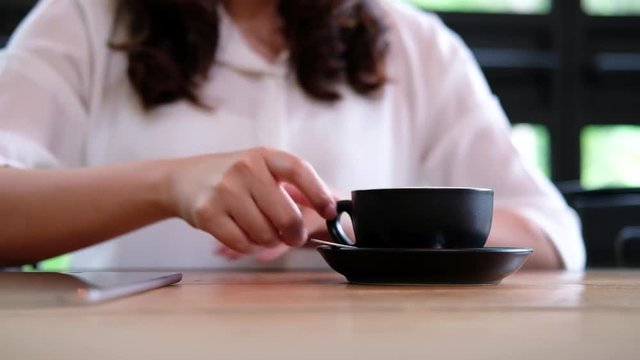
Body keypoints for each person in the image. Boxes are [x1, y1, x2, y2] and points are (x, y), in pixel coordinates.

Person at [0, 0, 585, 270]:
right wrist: (171, 184)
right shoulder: (81, 20)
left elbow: (552, 235)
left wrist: (350, 219)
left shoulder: (413, 42)